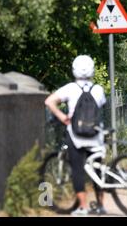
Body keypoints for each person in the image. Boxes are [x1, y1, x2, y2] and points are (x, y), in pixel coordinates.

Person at [45, 55, 107, 216]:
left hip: (76, 136)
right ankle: (101, 205)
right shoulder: (98, 90)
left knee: (77, 170)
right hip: (95, 136)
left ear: (74, 70)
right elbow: (101, 107)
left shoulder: (70, 88)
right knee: (97, 170)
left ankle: (83, 208)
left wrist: (63, 117)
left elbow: (49, 101)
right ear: (92, 70)